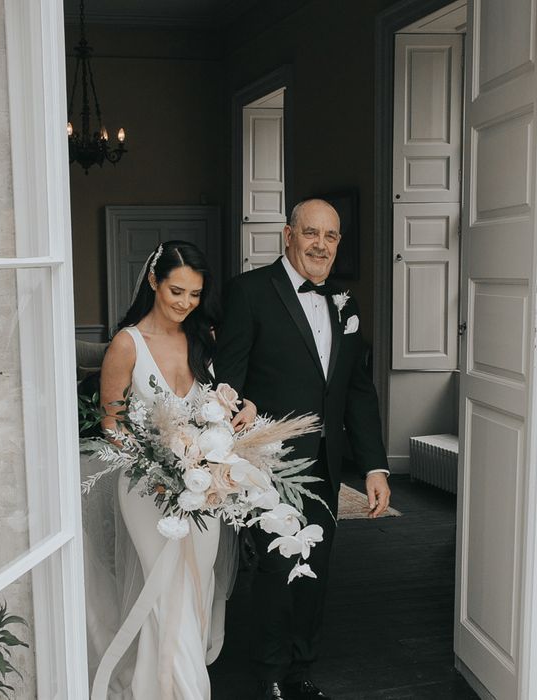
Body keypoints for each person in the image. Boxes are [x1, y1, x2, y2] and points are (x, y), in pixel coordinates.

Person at [214, 199, 391, 700]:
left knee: (316, 566)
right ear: (287, 235)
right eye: (311, 233)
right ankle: (270, 671)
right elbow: (228, 379)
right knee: (274, 568)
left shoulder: (345, 304)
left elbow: (357, 391)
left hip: (327, 463)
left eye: (330, 236)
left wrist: (374, 466)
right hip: (269, 460)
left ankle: (300, 667)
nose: (320, 244)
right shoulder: (248, 293)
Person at [83, 240, 255, 700]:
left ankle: (159, 685)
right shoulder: (127, 344)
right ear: (154, 281)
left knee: (198, 588)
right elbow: (111, 422)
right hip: (147, 490)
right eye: (177, 291)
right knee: (165, 594)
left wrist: (242, 409)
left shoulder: (203, 338)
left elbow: (218, 403)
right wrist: (155, 464)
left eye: (195, 295)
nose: (185, 303)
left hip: (202, 488)